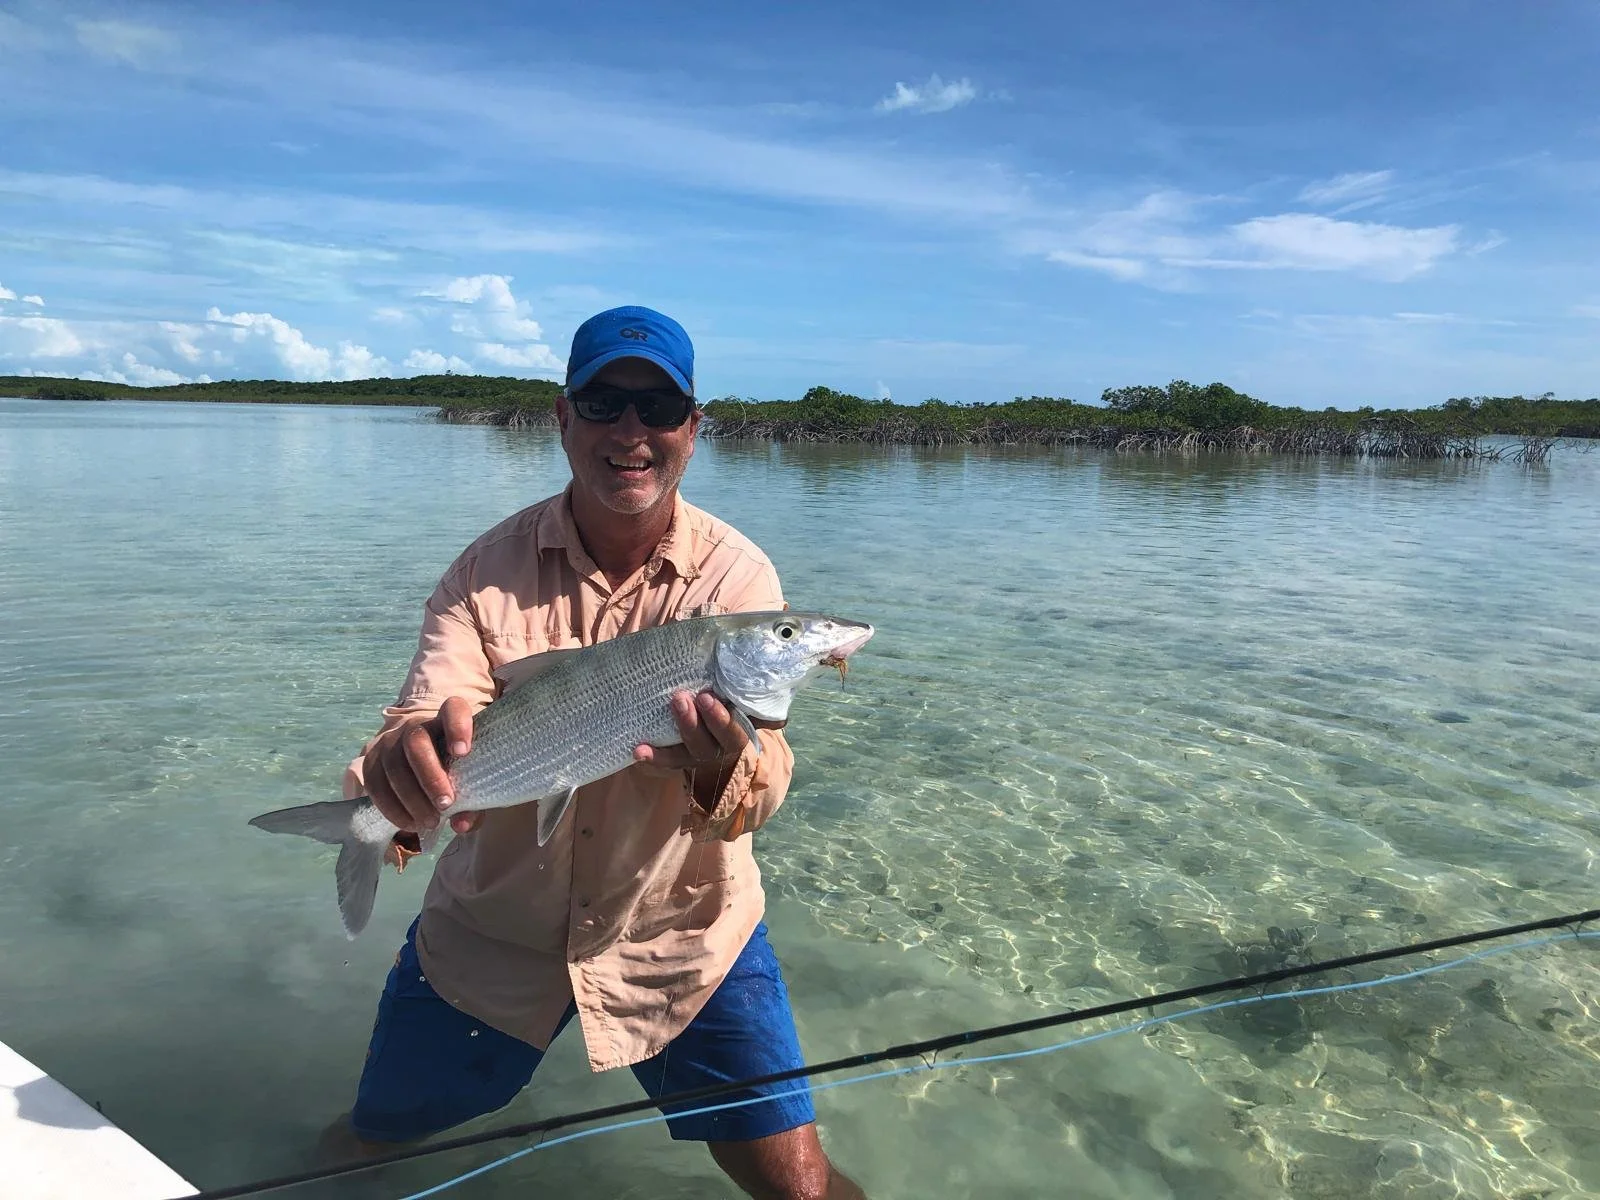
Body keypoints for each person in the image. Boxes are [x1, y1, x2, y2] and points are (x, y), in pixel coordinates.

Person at [326, 306, 865, 1200]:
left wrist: (717, 765)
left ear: (693, 428)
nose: (631, 432)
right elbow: (425, 709)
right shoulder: (480, 573)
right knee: (365, 1150)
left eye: (658, 409)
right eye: (605, 401)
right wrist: (396, 776)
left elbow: (760, 792)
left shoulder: (738, 581)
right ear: (563, 416)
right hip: (489, 940)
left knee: (799, 1189)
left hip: (681, 939)